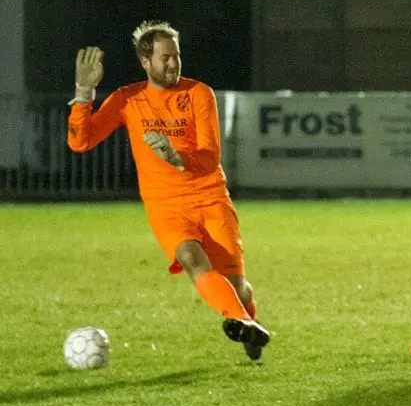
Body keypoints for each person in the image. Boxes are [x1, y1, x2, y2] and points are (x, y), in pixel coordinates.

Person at [66, 21, 269, 360]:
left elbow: (209, 157)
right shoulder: (127, 99)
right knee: (190, 256)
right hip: (166, 205)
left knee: (235, 285)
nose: (173, 64)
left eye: (176, 56)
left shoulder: (198, 93)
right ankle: (239, 319)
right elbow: (81, 141)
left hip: (210, 196)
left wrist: (177, 157)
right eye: (165, 58)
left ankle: (246, 316)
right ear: (145, 62)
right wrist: (84, 94)